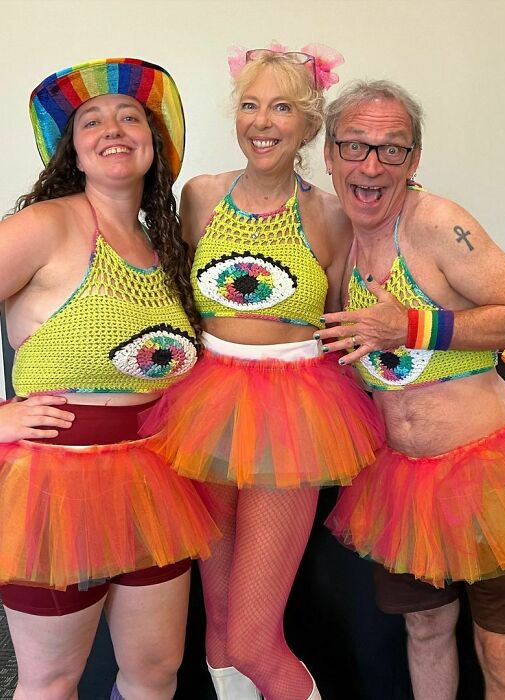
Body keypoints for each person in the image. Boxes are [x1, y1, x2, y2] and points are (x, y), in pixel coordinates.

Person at [0, 57, 220, 700]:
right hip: (54, 485)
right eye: (90, 121)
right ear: (72, 148)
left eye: (130, 117)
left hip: (151, 480)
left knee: (155, 672)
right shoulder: (47, 225)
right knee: (51, 679)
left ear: (156, 143)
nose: (112, 128)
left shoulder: (161, 244)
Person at [318, 79, 505, 700]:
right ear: (330, 155)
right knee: (425, 631)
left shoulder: (438, 222)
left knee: (504, 650)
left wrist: (411, 325)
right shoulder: (337, 235)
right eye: (355, 146)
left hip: (491, 477)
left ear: (414, 159)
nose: (371, 165)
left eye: (392, 149)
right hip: (402, 481)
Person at [141, 45, 383, 700]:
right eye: (250, 105)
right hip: (205, 405)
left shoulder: (331, 214)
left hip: (293, 415)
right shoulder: (200, 196)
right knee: (217, 625)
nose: (262, 121)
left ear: (308, 124)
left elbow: (337, 321)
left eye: (281, 107)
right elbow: (178, 295)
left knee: (253, 636)